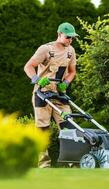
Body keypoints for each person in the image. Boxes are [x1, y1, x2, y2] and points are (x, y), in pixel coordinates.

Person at [24, 22, 78, 168]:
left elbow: (72, 71)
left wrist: (66, 83)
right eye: (68, 37)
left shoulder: (70, 51)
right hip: (42, 94)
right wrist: (37, 79)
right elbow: (28, 66)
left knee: (69, 127)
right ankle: (44, 164)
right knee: (43, 129)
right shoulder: (46, 49)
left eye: (72, 38)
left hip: (59, 94)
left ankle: (71, 162)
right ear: (59, 34)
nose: (70, 40)